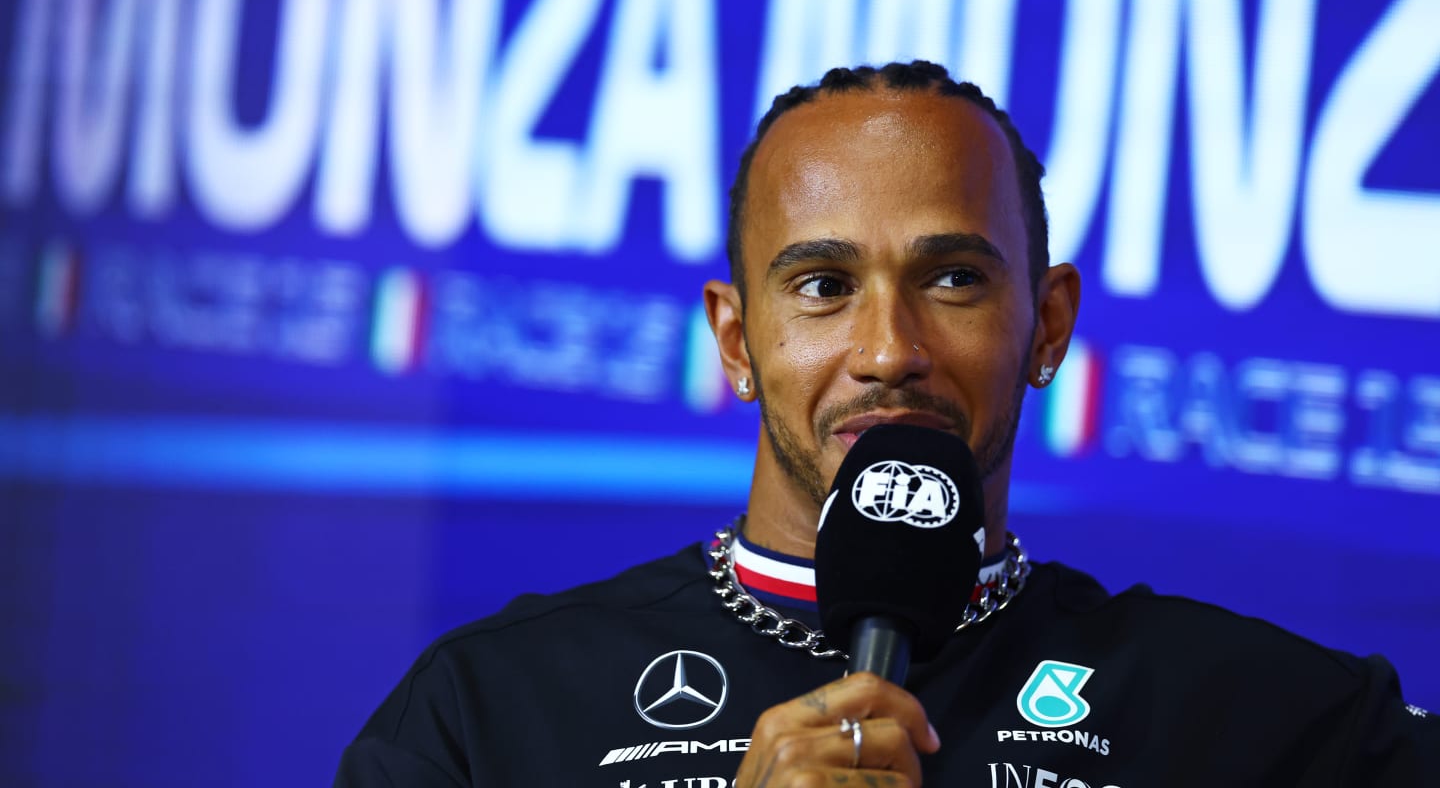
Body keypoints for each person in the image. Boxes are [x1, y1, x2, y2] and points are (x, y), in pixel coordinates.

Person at [334, 61, 1438, 787]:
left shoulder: (1249, 719)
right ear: (734, 338)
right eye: (820, 286)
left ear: (1048, 324)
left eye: (953, 278)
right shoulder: (489, 713)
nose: (886, 349)